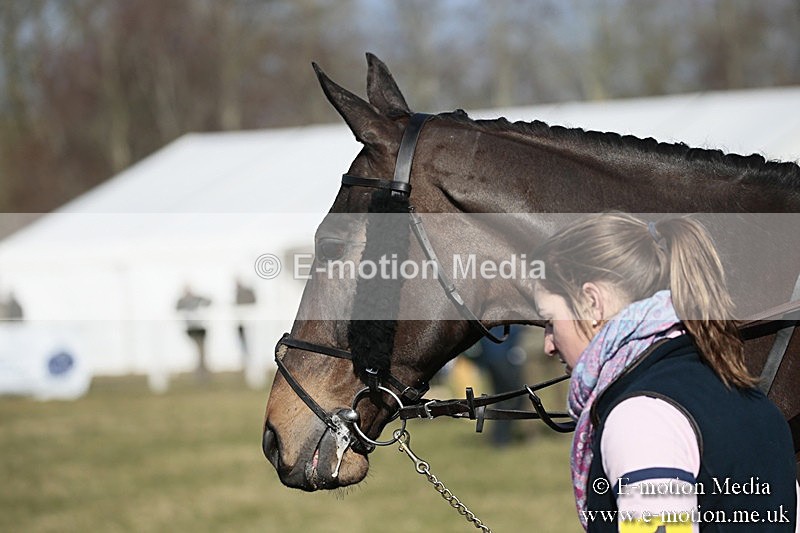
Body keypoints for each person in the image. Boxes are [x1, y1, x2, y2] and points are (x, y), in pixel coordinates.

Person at [531, 212, 798, 532]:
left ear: (592, 303)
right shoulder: (742, 391)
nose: (548, 344)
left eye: (550, 320)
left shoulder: (642, 417)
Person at [176, 284, 212, 380]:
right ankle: (201, 374)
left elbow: (209, 302)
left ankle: (202, 373)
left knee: (201, 352)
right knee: (200, 351)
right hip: (191, 330)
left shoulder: (198, 299)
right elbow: (177, 309)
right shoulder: (182, 301)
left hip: (201, 329)